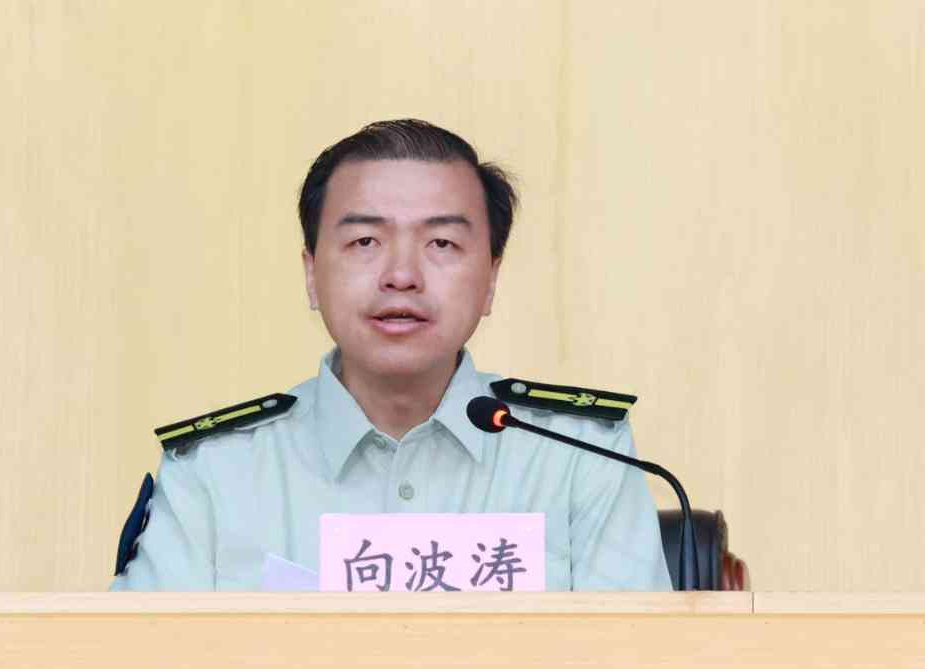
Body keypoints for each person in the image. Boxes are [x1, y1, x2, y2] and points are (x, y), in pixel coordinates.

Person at [110, 119, 672, 591]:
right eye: (365, 242)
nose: (402, 275)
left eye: (441, 243)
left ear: (491, 279)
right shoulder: (213, 472)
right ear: (311, 274)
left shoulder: (581, 459)